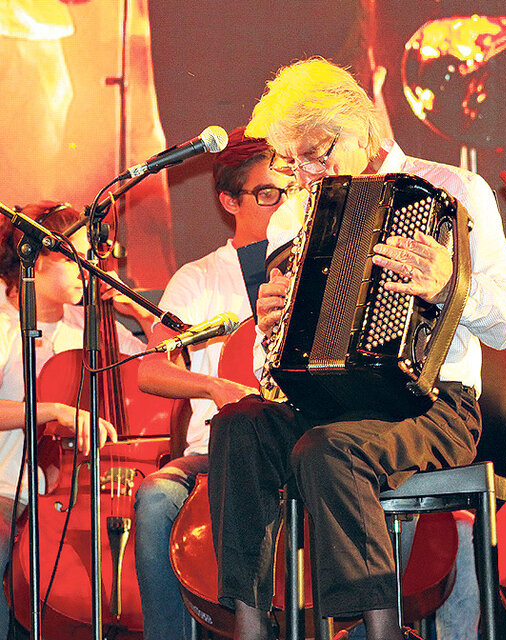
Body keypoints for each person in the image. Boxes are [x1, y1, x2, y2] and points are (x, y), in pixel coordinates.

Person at [207, 57, 506, 640]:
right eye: (292, 161)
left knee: (327, 451)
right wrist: (270, 329)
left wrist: (451, 285)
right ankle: (252, 627)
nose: (305, 175)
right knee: (238, 427)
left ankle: (377, 631)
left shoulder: (455, 190)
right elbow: (273, 371)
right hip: (327, 405)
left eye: (318, 153)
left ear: (364, 128)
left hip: (435, 404)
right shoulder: (289, 220)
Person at [133, 127, 292, 640]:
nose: (282, 204)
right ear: (229, 200)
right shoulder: (198, 279)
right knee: (156, 501)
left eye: (290, 191)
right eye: (268, 194)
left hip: (298, 447)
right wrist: (215, 388)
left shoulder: (316, 268)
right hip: (214, 456)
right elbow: (149, 369)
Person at [0, 201, 130, 639]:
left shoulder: (88, 325)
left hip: (73, 492)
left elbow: (153, 370)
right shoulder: (2, 325)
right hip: (4, 489)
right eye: (76, 257)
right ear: (34, 257)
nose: (88, 268)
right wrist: (52, 411)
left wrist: (147, 317)